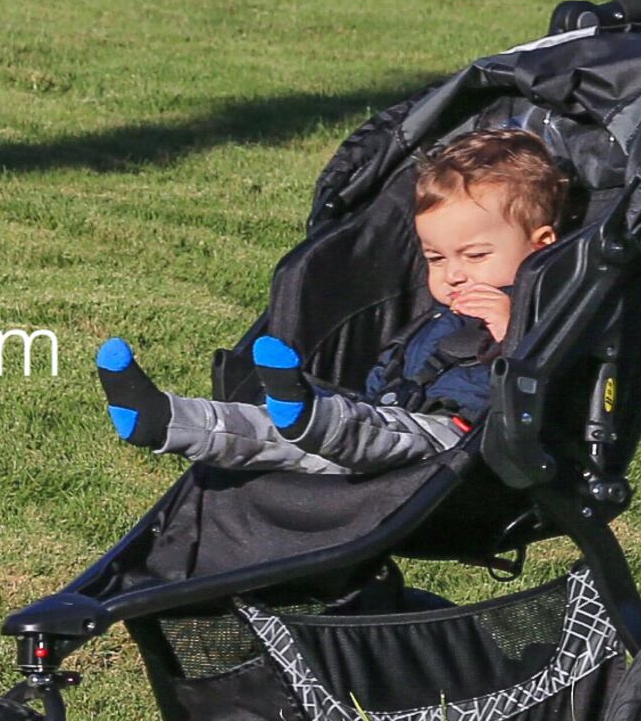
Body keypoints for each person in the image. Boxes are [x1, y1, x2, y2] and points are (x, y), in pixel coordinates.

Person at [92, 128, 572, 476]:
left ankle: (309, 415)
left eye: (476, 255)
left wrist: (514, 331)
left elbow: (554, 387)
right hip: (380, 419)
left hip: (458, 442)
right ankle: (166, 420)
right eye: (435, 258)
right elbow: (395, 366)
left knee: (351, 429)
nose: (454, 273)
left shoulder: (548, 309)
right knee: (274, 436)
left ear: (541, 245)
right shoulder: (442, 313)